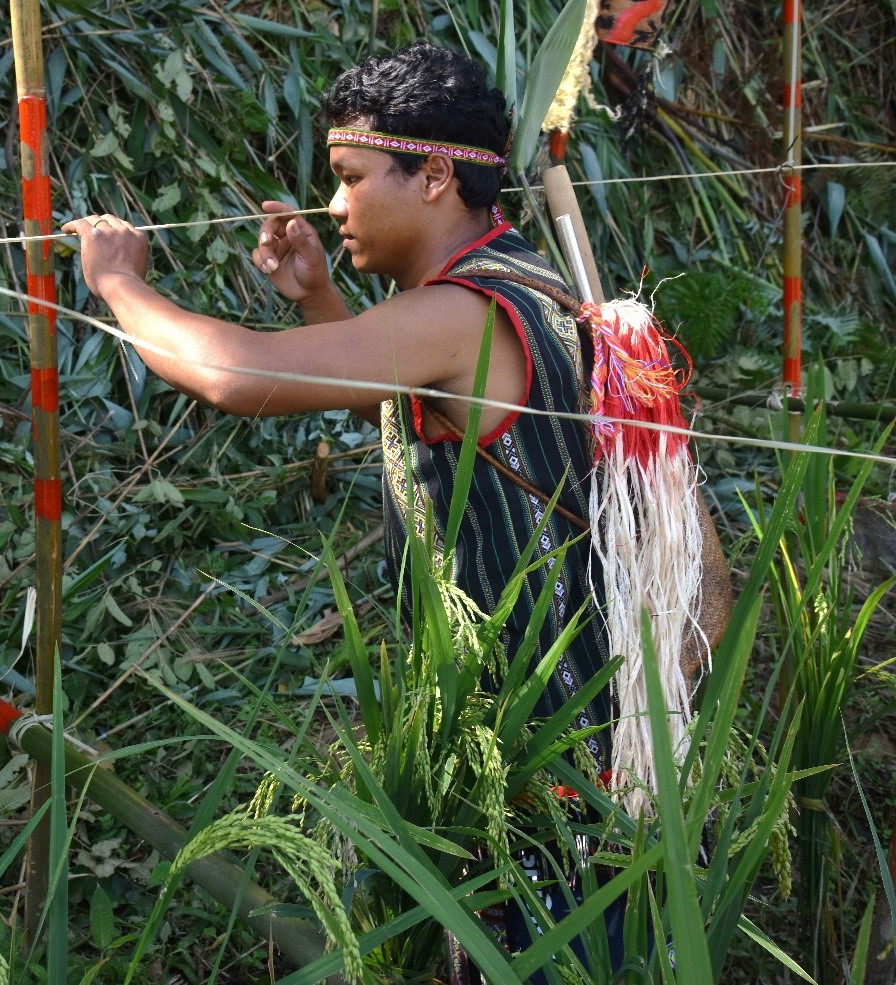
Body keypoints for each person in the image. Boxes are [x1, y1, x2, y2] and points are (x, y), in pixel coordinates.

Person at [62, 39, 618, 976]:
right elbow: (413, 407)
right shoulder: (524, 284)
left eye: (352, 178)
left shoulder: (461, 314)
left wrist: (122, 283)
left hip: (539, 773)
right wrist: (320, 294)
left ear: (435, 175)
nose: (333, 203)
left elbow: (237, 376)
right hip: (571, 748)